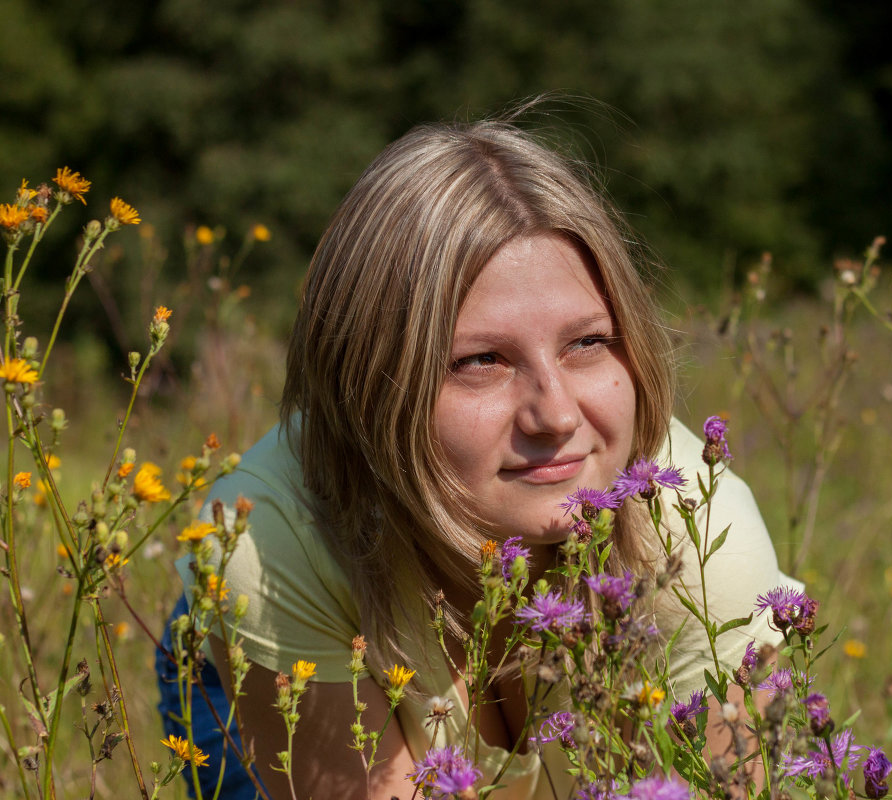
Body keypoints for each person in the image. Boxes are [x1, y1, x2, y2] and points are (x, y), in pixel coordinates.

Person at [160, 116, 800, 799]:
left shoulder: (697, 539)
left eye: (586, 342)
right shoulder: (269, 546)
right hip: (275, 657)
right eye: (481, 361)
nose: (556, 415)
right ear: (369, 387)